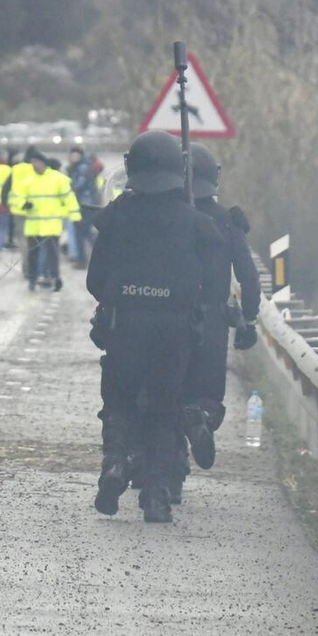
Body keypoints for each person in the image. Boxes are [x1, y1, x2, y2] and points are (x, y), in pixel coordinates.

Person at [86, 131, 223, 524]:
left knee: (119, 403)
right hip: (175, 333)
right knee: (164, 409)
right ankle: (157, 495)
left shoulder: (115, 216)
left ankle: (114, 464)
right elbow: (214, 288)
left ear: (132, 170)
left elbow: (95, 281)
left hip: (124, 327)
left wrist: (127, 292)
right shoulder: (196, 222)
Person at [171, 144, 263, 494]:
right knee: (207, 391)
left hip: (172, 316)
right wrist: (249, 318)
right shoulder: (227, 220)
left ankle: (171, 466)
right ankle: (201, 418)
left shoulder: (169, 216)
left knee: (167, 390)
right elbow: (248, 275)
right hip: (211, 323)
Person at [13, 152, 80, 292]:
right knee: (33, 255)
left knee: (53, 255)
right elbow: (17, 197)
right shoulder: (27, 181)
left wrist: (75, 216)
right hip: (33, 225)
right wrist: (23, 204)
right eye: (33, 162)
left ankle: (55, 278)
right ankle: (32, 280)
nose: (34, 165)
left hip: (51, 225)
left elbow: (69, 197)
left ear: (44, 163)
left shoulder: (58, 179)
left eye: (37, 162)